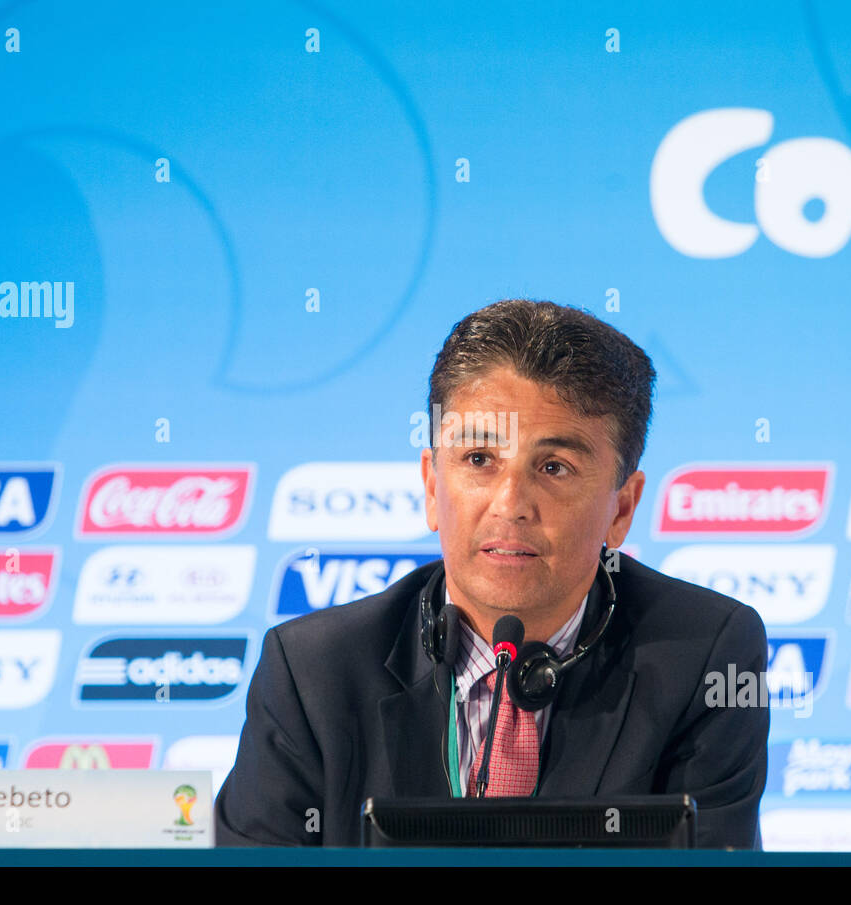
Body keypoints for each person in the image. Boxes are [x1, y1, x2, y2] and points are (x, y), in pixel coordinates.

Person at [214, 299, 769, 848]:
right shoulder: (313, 673)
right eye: (479, 459)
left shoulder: (705, 655)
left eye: (554, 467)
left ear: (621, 508)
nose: (511, 504)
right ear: (433, 486)